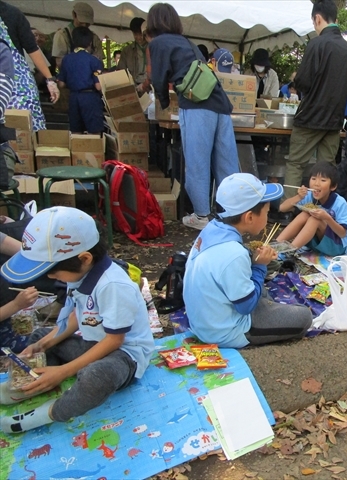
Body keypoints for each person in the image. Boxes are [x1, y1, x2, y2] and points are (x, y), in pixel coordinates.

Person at [0, 207, 155, 432]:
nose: (51, 278)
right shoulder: (81, 273)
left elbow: (114, 341)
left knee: (96, 377)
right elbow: (76, 316)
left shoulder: (113, 286)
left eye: (53, 273)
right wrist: (42, 345)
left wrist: (65, 371)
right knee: (40, 338)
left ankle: (48, 413)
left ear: (84, 258)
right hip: (92, 343)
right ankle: (30, 383)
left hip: (124, 356)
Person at [183, 174, 312, 348]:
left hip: (205, 320)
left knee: (262, 293)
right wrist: (259, 266)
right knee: (304, 317)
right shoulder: (234, 254)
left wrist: (254, 262)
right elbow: (245, 307)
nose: (267, 218)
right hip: (225, 331)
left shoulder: (211, 229)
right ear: (249, 217)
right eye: (266, 212)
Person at [147, 3, 239, 230]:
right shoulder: (186, 41)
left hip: (197, 105)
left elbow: (158, 78)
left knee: (198, 162)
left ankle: (201, 216)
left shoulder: (158, 43)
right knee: (225, 162)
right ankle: (232, 213)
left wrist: (164, 103)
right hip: (220, 104)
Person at [284, 0, 347, 198]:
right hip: (333, 121)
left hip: (310, 117)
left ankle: (288, 211)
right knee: (326, 169)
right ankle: (322, 212)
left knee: (295, 163)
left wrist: (295, 79)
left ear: (317, 18)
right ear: (336, 19)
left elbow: (303, 82)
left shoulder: (316, 44)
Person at [277, 161, 347, 255]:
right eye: (313, 179)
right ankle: (276, 245)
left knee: (315, 219)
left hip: (336, 246)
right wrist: (299, 197)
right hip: (316, 242)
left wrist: (327, 217)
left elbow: (343, 233)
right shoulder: (308, 196)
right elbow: (282, 208)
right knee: (305, 213)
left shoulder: (339, 203)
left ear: (333, 186)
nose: (316, 184)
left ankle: (290, 251)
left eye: (323, 180)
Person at [57, 27, 104, 134]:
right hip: (90, 98)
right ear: (90, 42)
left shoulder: (66, 59)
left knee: (76, 132)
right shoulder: (93, 60)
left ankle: (78, 150)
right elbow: (98, 86)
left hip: (73, 98)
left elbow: (61, 84)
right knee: (94, 133)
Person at [51, 2, 104, 69]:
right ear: (74, 15)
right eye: (81, 22)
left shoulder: (94, 37)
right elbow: (60, 63)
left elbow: (100, 64)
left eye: (87, 23)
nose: (84, 25)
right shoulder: (62, 35)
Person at [117, 17, 149, 91]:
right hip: (134, 88)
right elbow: (121, 72)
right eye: (135, 34)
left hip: (151, 87)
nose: (138, 37)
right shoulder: (127, 51)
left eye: (140, 34)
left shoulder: (154, 48)